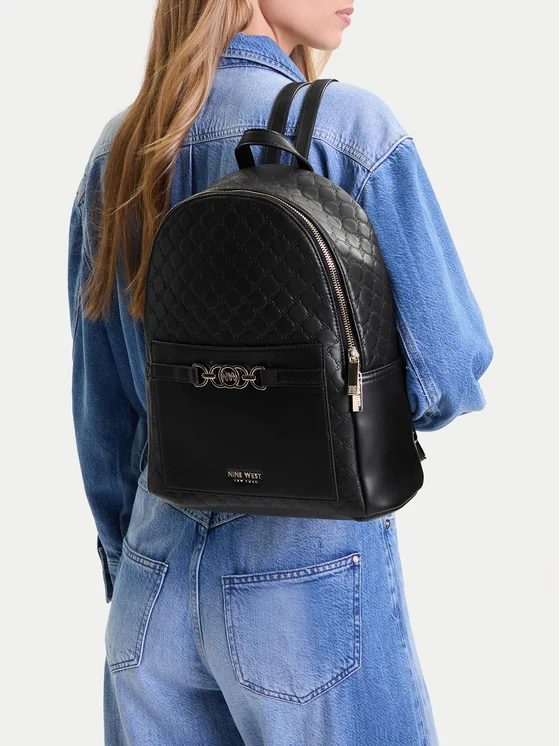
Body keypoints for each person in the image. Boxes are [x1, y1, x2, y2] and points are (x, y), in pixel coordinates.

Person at [68, 1, 493, 744]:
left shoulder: (122, 149)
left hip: (150, 578)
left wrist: (123, 559)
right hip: (306, 583)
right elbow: (448, 373)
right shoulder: (346, 130)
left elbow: (102, 407)